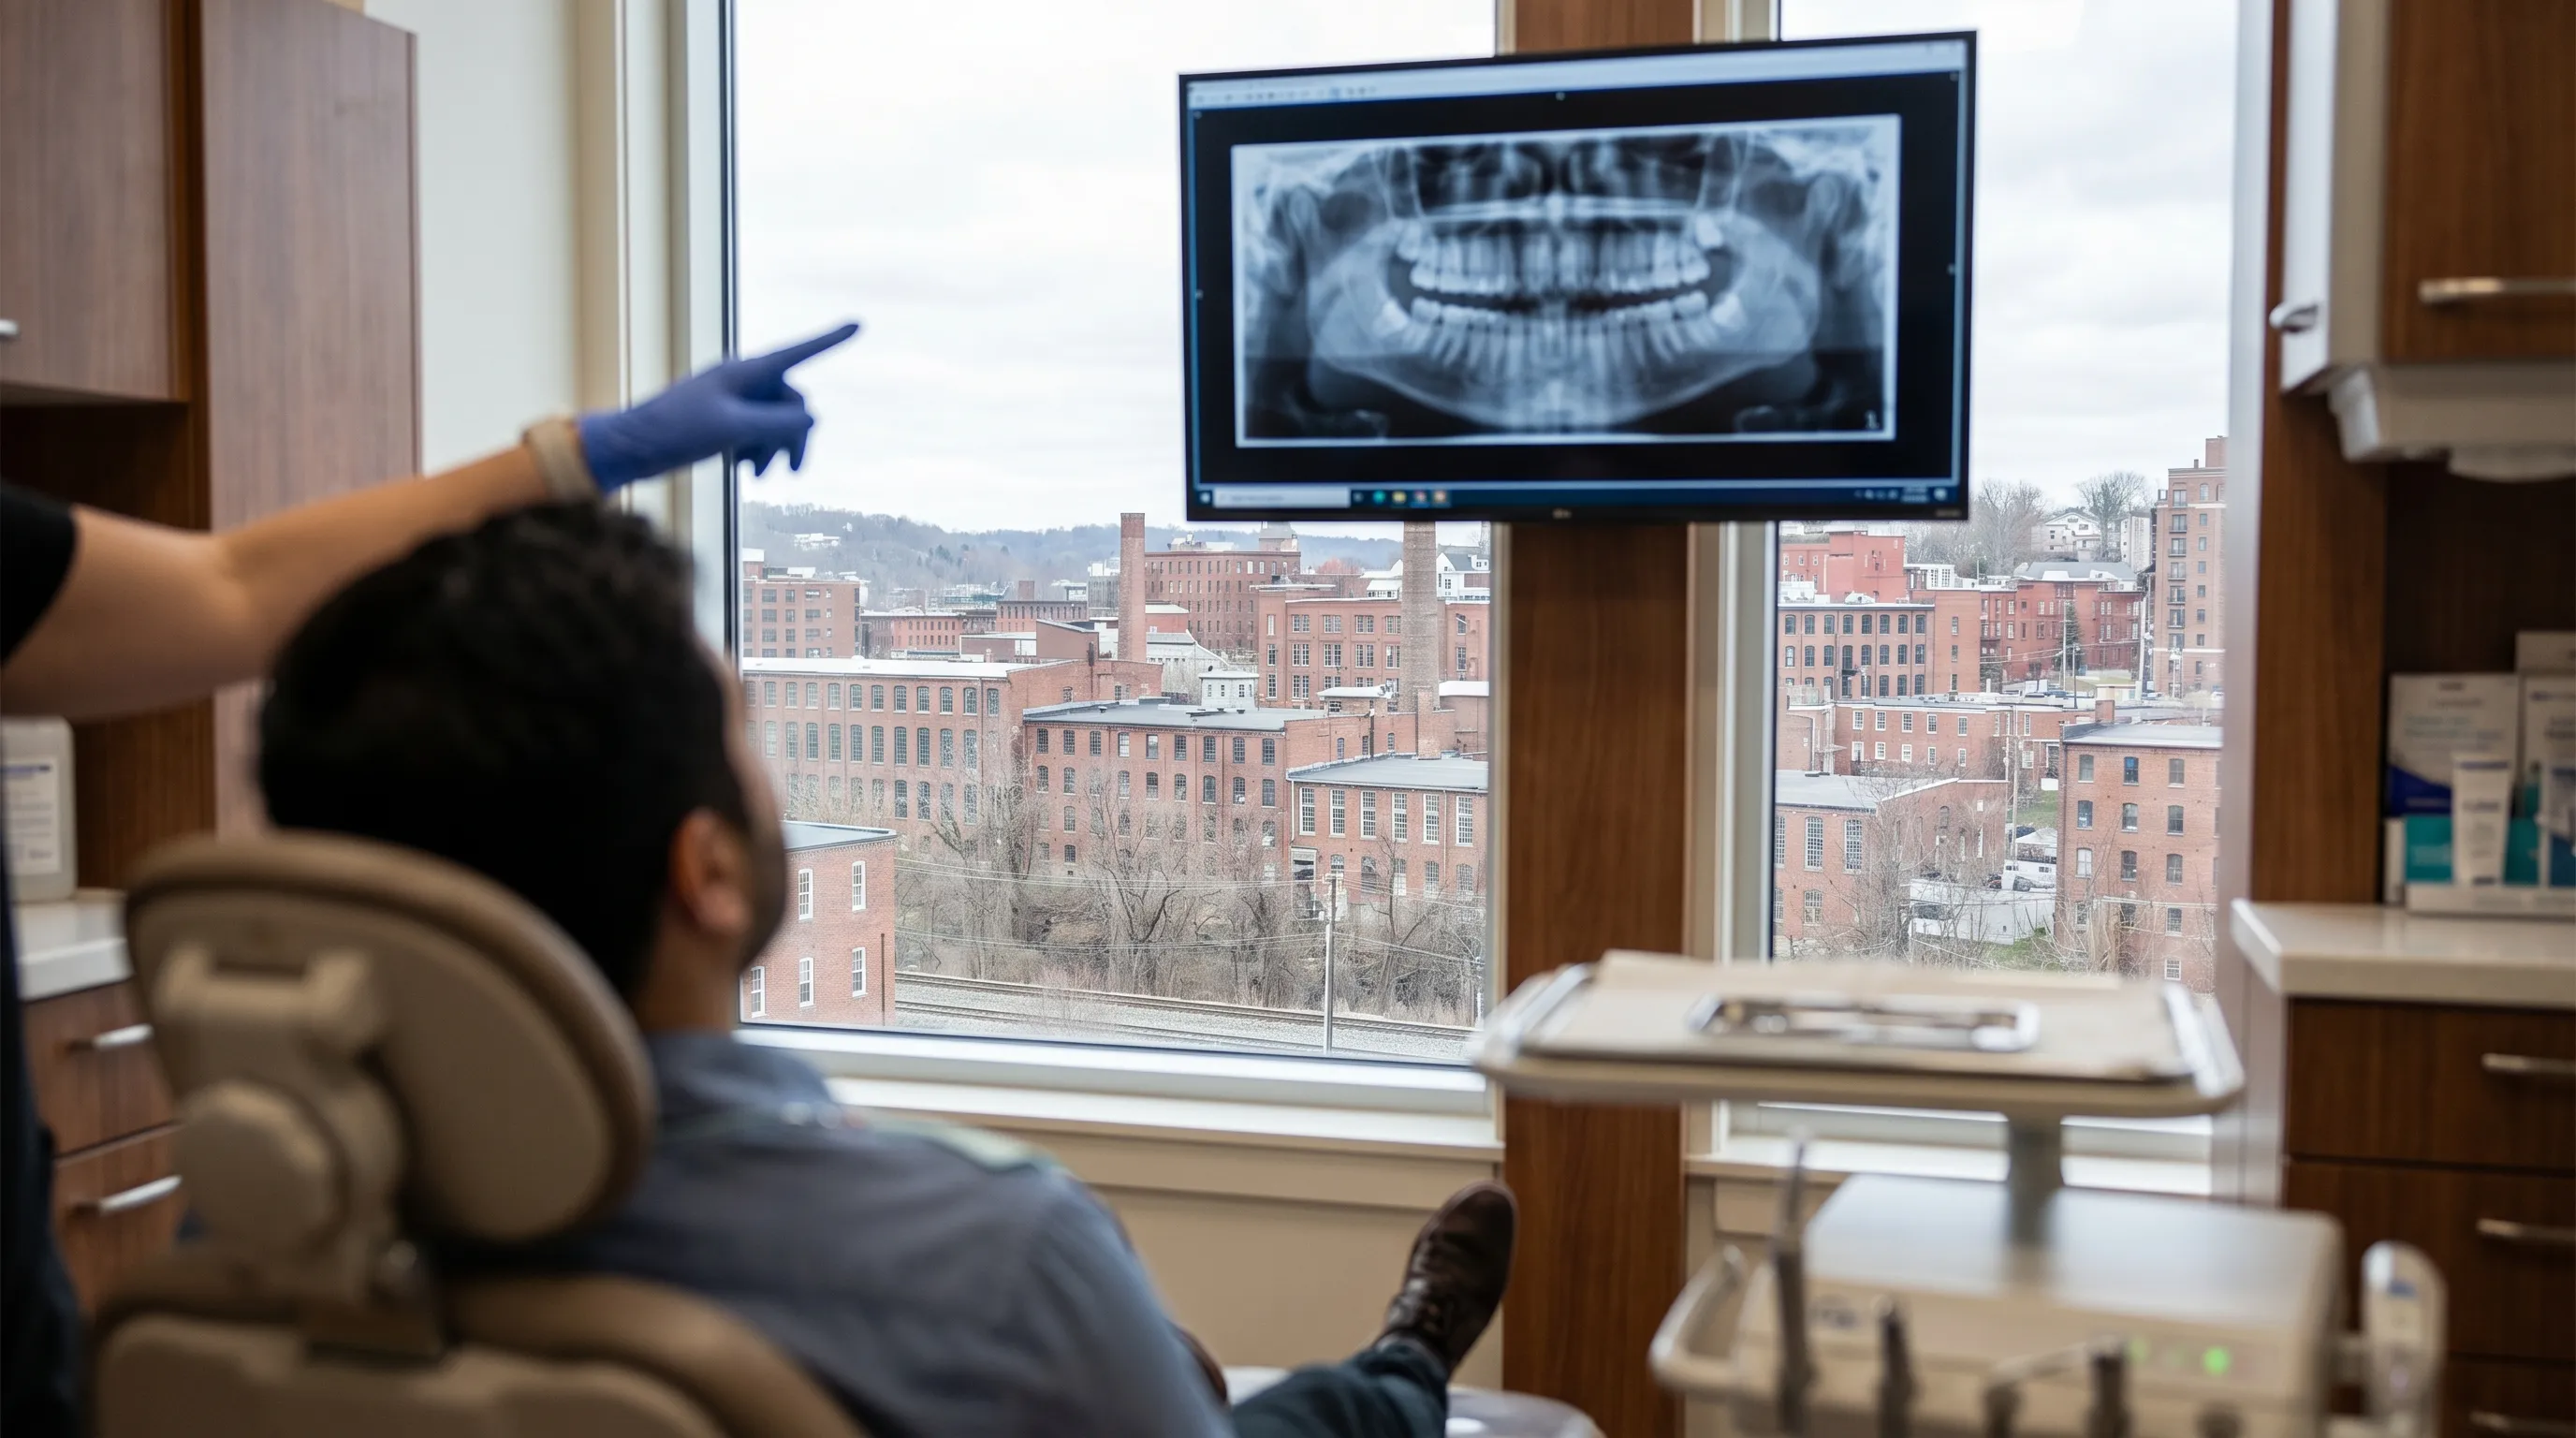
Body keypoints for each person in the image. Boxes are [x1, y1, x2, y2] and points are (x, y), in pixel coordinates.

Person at [252, 503, 1517, 1438]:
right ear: (709, 874)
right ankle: (1401, 1375)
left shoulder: (284, 1237)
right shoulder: (1000, 1261)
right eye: (750, 739)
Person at [0, 323, 858, 1438]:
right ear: (706, 869)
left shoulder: (251, 1254)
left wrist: (585, 459)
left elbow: (232, 588)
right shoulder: (997, 1267)